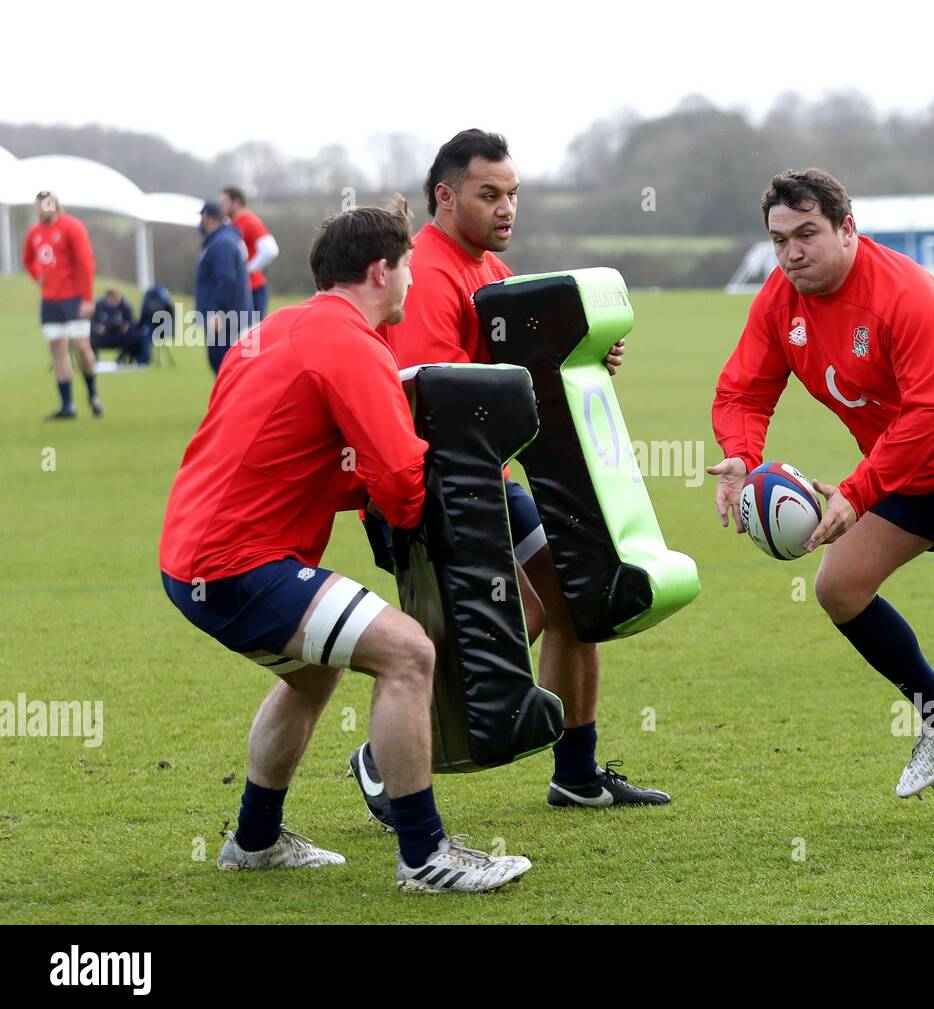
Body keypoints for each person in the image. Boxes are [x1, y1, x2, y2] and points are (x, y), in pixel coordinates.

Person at [159, 197, 532, 893]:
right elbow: (399, 474)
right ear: (378, 270)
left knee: (312, 671)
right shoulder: (350, 342)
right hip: (238, 562)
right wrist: (426, 512)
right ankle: (425, 855)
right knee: (409, 651)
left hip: (190, 558)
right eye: (408, 268)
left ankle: (255, 838)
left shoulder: (279, 329)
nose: (413, 282)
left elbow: (284, 452)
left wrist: (369, 486)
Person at [348, 129, 667, 824]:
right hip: (433, 480)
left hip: (485, 474)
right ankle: (382, 756)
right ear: (446, 195)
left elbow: (521, 373)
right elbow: (435, 401)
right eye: (489, 194)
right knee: (513, 611)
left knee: (576, 598)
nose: (506, 208)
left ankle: (578, 775)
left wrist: (579, 359)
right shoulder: (427, 273)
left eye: (513, 194)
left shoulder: (488, 272)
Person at [710, 168, 934, 827]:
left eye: (807, 234)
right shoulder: (779, 299)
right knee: (839, 588)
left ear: (847, 228)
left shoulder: (907, 293)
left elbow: (933, 412)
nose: (792, 253)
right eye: (779, 240)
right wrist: (739, 459)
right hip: (901, 466)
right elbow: (744, 390)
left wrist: (857, 492)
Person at [22, 191, 102, 419]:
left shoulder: (72, 227)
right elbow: (27, 258)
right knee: (57, 349)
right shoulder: (34, 233)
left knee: (80, 347)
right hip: (50, 300)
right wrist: (36, 274)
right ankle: (68, 405)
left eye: (44, 205)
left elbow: (86, 262)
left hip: (74, 298)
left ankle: (92, 393)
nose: (40, 210)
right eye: (37, 206)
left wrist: (87, 298)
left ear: (55, 205)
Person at [195, 201, 254, 375]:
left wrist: (215, 312)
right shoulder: (225, 240)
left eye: (202, 217)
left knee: (225, 369)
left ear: (209, 218)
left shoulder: (222, 243)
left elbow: (226, 280)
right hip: (229, 318)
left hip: (226, 320)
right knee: (227, 370)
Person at [220, 187, 279, 321]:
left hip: (252, 289)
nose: (221, 206)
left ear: (236, 203)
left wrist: (248, 269)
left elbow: (271, 250)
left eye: (224, 202)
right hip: (238, 290)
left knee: (251, 337)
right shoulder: (230, 224)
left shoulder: (250, 221)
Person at [90, 288, 139, 363]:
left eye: (116, 299)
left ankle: (122, 358)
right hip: (103, 335)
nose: (114, 302)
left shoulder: (125, 306)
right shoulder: (98, 305)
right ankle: (94, 358)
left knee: (134, 335)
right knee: (90, 335)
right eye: (112, 299)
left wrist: (127, 325)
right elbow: (92, 321)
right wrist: (97, 327)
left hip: (119, 334)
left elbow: (132, 321)